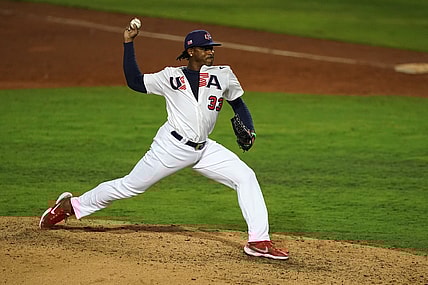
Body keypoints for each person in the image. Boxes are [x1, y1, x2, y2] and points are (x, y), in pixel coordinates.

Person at [39, 20, 289, 260]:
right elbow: (135, 82)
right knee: (129, 187)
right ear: (191, 51)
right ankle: (69, 206)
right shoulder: (169, 77)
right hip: (171, 147)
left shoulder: (223, 74)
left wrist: (251, 130)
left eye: (212, 48)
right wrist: (128, 44)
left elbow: (238, 103)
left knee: (245, 176)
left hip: (204, 149)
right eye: (205, 48)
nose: (211, 52)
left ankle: (258, 241)